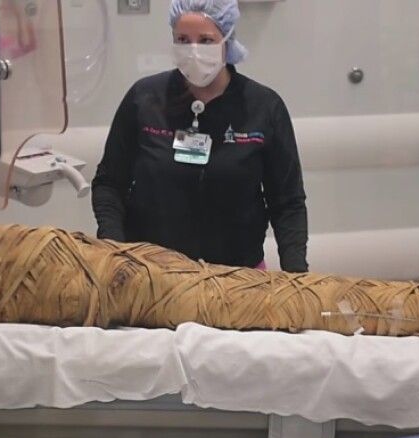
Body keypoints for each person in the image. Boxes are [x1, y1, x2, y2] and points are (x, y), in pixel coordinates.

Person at [91, 0, 308, 272]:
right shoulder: (144, 100)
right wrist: (114, 254)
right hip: (152, 275)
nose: (193, 50)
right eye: (183, 40)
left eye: (206, 40)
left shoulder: (263, 108)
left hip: (236, 278)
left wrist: (297, 279)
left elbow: (287, 203)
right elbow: (109, 184)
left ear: (227, 40)